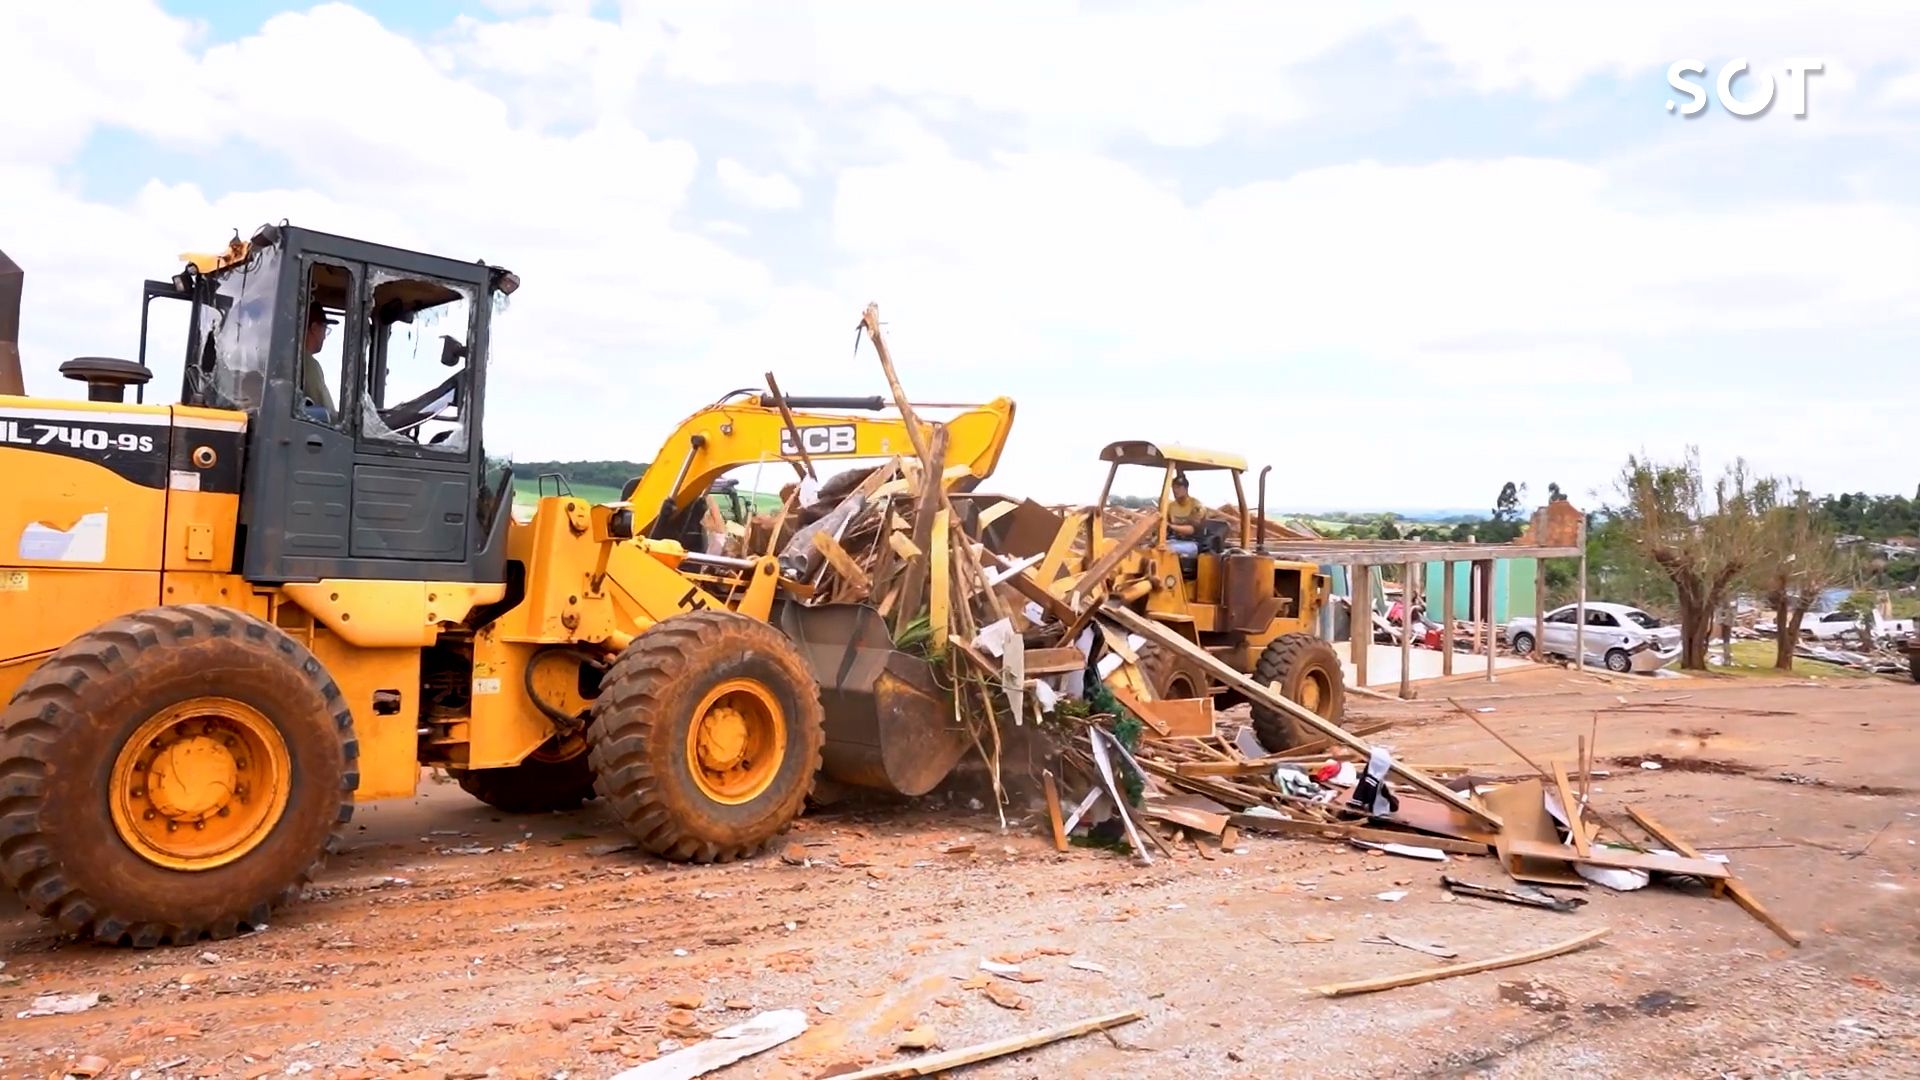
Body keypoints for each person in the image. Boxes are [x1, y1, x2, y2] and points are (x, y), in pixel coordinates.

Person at [298, 302, 337, 421]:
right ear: (314, 328)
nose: (325, 337)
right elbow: (328, 413)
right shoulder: (308, 364)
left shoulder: (295, 360)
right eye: (324, 329)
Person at [1166, 472, 1207, 556]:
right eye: (1173, 487)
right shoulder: (1171, 506)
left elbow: (1191, 530)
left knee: (1166, 550)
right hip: (1176, 540)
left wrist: (1170, 526)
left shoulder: (1196, 506)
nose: (1175, 490)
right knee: (1152, 547)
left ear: (1185, 488)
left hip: (1193, 542)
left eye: (1178, 487)